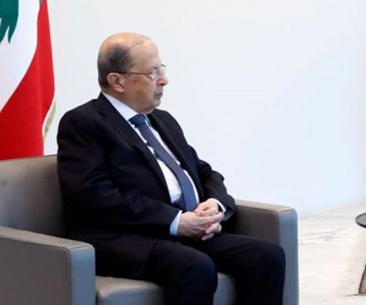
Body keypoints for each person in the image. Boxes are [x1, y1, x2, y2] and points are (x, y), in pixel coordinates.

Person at [57, 32, 285, 305]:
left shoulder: (162, 120)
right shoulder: (83, 122)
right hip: (127, 238)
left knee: (267, 256)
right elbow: (93, 195)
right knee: (195, 266)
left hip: (182, 231)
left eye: (161, 69)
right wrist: (175, 221)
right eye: (153, 72)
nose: (164, 80)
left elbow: (203, 171)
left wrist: (216, 204)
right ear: (117, 81)